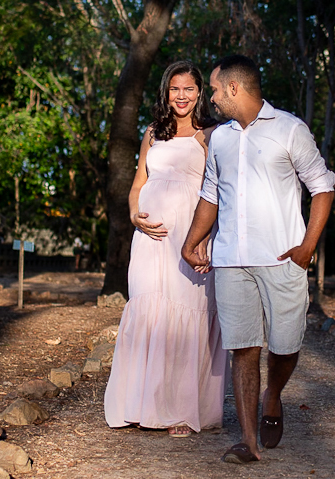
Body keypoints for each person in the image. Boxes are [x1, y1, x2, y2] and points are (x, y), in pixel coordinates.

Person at [180, 54, 335, 464]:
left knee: (284, 346)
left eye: (213, 89)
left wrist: (306, 247)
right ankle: (248, 442)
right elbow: (211, 195)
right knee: (243, 348)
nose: (210, 97)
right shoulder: (221, 138)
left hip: (282, 258)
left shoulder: (289, 129)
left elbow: (322, 187)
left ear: (234, 88)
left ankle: (274, 394)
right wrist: (191, 241)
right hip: (231, 259)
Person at [104, 60, 228, 437]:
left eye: (189, 89)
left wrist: (206, 237)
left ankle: (180, 411)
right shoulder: (152, 133)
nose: (181, 96)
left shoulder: (211, 134)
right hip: (149, 240)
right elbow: (139, 181)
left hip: (188, 240)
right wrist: (133, 215)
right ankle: (140, 405)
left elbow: (219, 191)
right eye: (175, 89)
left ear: (199, 92)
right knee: (146, 309)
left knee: (185, 317)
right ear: (166, 92)